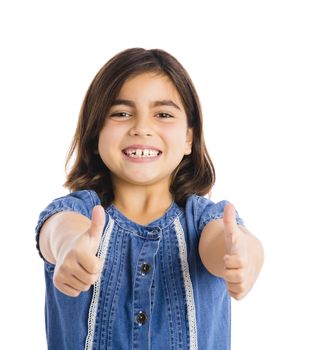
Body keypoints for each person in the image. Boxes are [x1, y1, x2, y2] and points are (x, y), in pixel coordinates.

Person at [35, 47, 264, 350]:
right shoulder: (78, 213)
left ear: (188, 139)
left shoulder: (203, 219)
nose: (141, 128)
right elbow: (60, 230)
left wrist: (244, 257)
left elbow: (225, 242)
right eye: (121, 114)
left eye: (163, 114)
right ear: (94, 135)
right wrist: (69, 249)